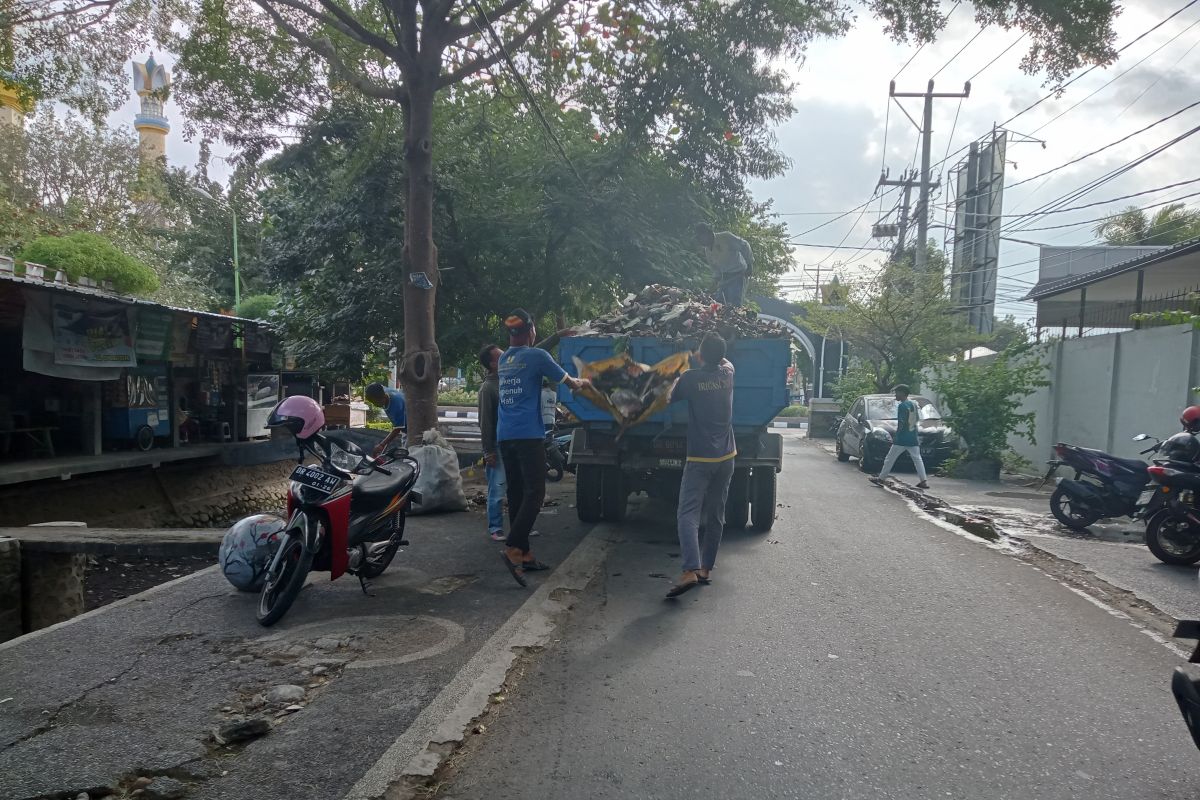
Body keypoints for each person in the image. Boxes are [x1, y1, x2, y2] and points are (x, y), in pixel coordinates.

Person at [497, 309, 590, 586]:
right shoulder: (537, 357)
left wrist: (557, 336)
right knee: (536, 492)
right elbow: (571, 383)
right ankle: (514, 546)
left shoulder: (505, 358)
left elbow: (531, 353)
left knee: (516, 492)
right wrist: (583, 382)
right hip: (528, 435)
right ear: (531, 330)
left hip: (505, 435)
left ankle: (524, 553)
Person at [666, 333, 737, 599]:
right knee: (716, 512)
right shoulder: (728, 374)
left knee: (688, 513)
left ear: (700, 354)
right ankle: (706, 568)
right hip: (727, 456)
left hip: (699, 458)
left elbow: (668, 399)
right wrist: (709, 353)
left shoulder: (690, 379)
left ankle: (689, 570)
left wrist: (677, 377)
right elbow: (724, 359)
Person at [870, 384, 929, 490]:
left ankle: (881, 479)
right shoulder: (913, 404)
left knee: (889, 459)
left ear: (902, 393)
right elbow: (917, 419)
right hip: (913, 436)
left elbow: (901, 423)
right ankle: (923, 481)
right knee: (917, 459)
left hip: (902, 438)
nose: (895, 395)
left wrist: (897, 435)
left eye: (897, 393)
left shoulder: (902, 406)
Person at [478, 344, 506, 542]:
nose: (506, 358)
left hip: (512, 443)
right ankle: (495, 528)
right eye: (501, 357)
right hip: (496, 445)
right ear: (492, 364)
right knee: (496, 489)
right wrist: (488, 451)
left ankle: (520, 525)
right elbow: (485, 422)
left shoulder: (508, 381)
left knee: (516, 488)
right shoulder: (488, 388)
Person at [696, 222, 753, 307]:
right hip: (725, 277)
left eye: (701, 237)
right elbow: (715, 268)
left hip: (739, 274)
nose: (700, 240)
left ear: (708, 233)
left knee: (734, 304)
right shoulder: (707, 250)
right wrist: (715, 282)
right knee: (719, 302)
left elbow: (744, 245)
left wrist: (749, 264)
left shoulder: (725, 237)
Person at [364, 382, 406, 458]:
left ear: (382, 397)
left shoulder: (396, 404)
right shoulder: (384, 391)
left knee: (409, 455)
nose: (374, 405)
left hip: (415, 429)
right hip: (406, 428)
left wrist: (381, 445)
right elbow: (378, 386)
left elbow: (398, 428)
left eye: (374, 402)